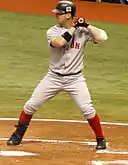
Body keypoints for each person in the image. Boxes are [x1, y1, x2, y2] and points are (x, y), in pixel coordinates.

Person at [7, 0, 108, 150]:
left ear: (68, 15)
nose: (56, 16)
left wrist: (87, 26)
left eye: (59, 13)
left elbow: (103, 37)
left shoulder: (83, 31)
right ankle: (17, 135)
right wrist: (74, 28)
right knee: (31, 105)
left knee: (87, 109)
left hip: (75, 79)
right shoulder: (52, 31)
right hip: (53, 77)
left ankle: (101, 139)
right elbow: (59, 42)